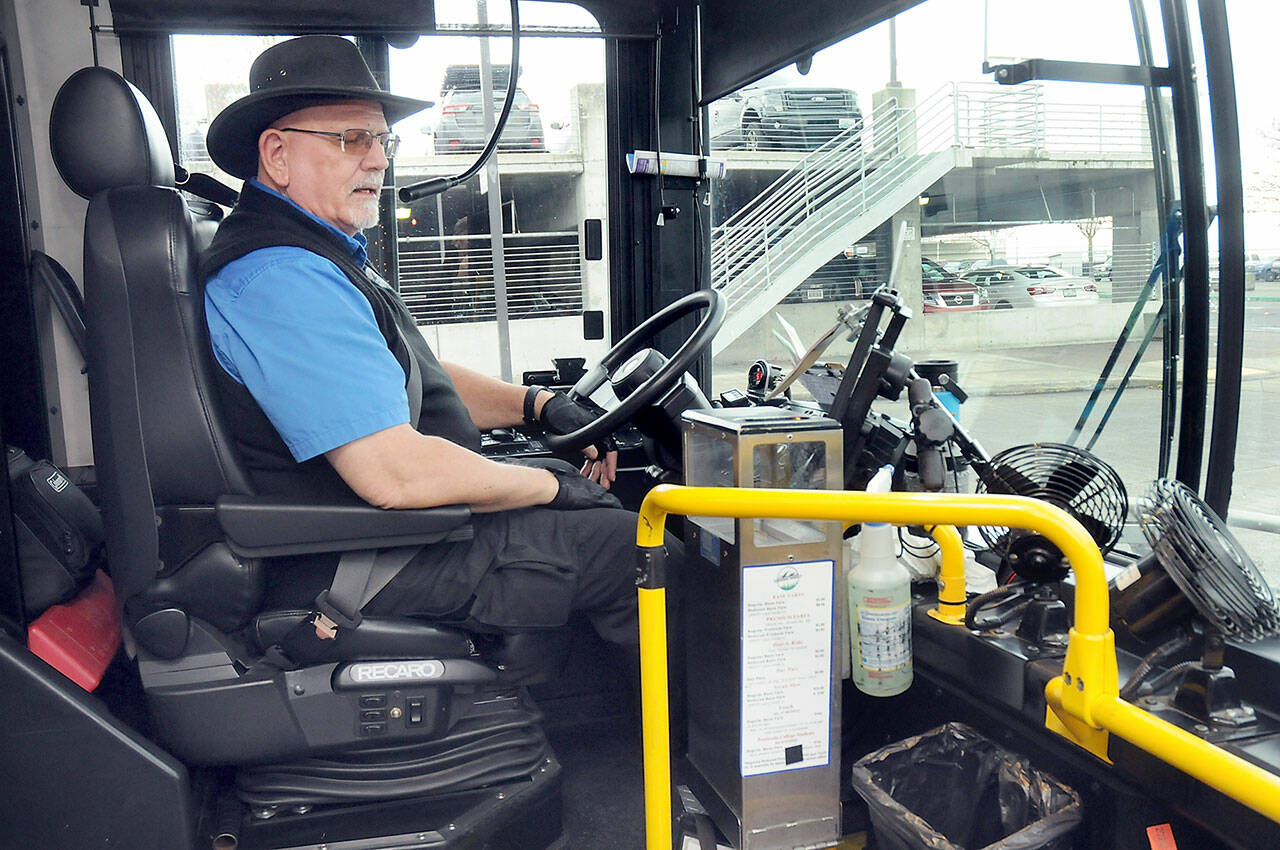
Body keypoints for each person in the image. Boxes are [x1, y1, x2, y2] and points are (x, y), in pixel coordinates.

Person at [201, 35, 654, 649]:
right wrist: (552, 482)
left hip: (385, 539)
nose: (379, 161)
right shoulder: (281, 276)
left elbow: (408, 374)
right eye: (350, 139)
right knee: (642, 551)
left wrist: (538, 405)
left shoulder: (316, 257)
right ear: (277, 155)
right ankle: (702, 744)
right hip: (364, 563)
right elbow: (395, 476)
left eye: (383, 140)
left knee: (599, 517)